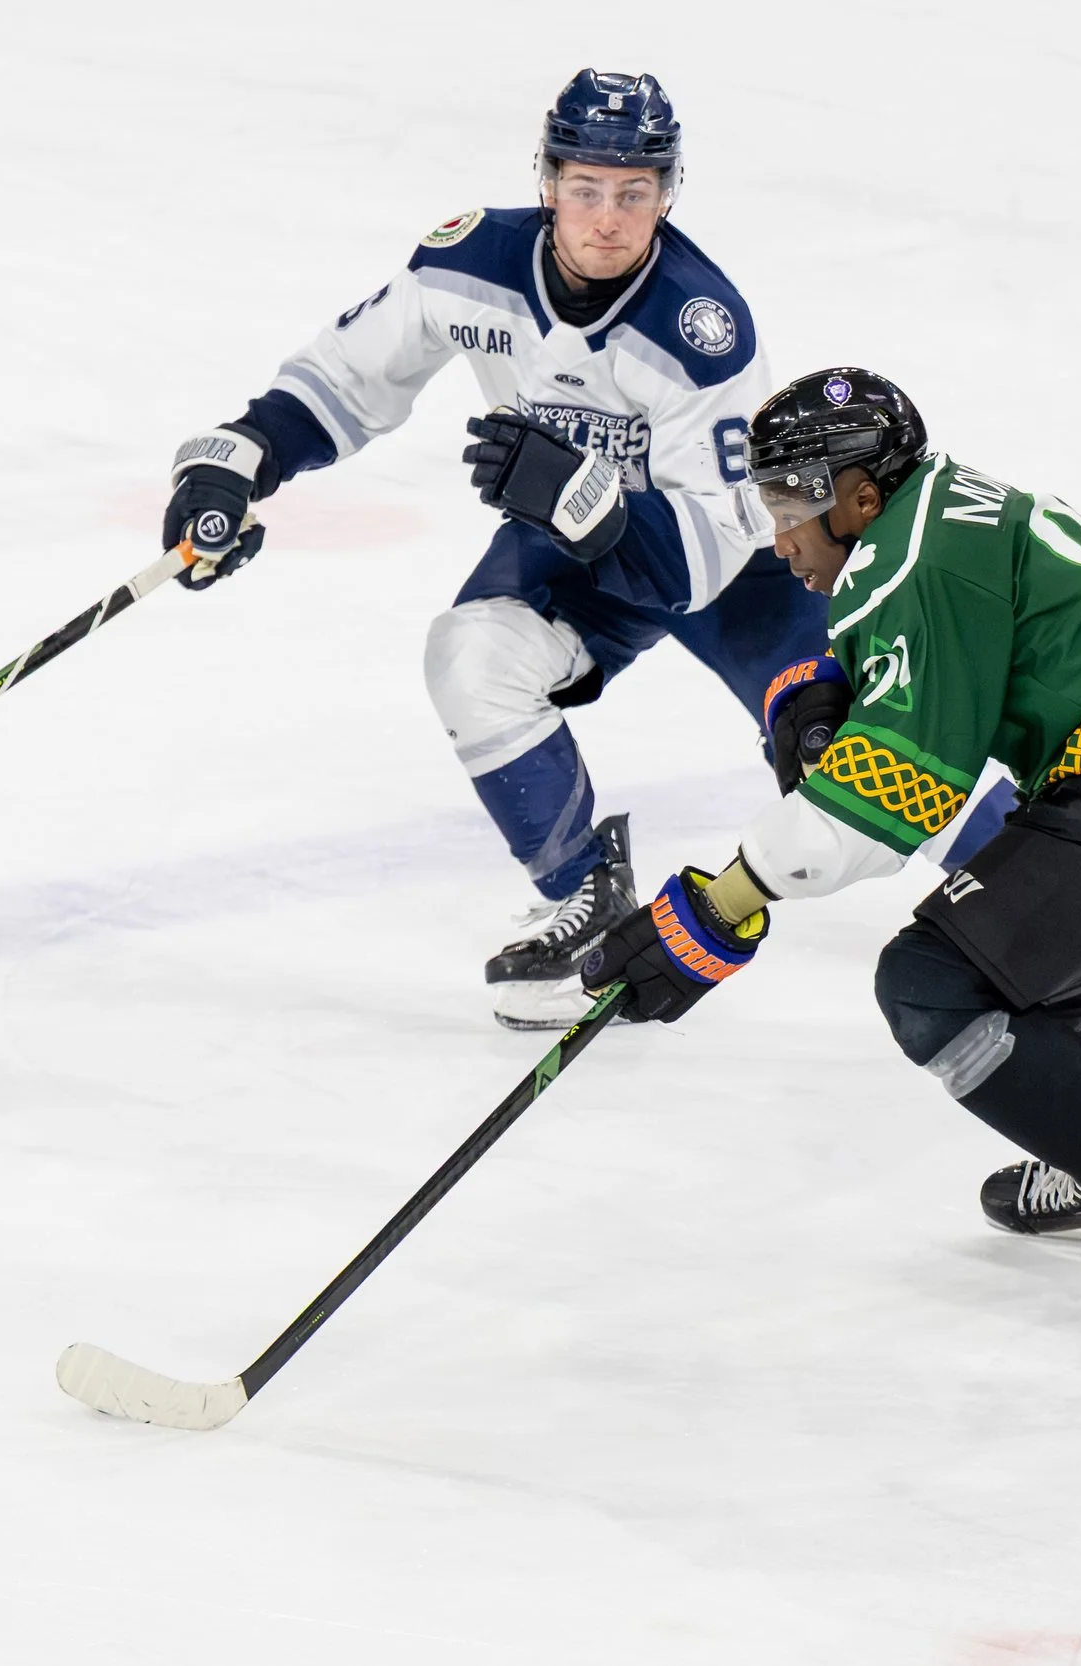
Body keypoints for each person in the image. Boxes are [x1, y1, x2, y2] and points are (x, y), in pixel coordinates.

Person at [582, 368, 1081, 1357]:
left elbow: (892, 800)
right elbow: (960, 652)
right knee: (1018, 972)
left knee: (933, 981)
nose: (777, 537)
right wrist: (827, 682)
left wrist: (716, 910)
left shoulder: (915, 565)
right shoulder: (932, 512)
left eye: (785, 504)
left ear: (855, 496)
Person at [159, 69, 822, 1029]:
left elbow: (706, 557)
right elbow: (349, 377)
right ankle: (586, 900)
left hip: (743, 565)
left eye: (635, 193)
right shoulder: (470, 260)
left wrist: (587, 500)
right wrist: (242, 458)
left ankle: (1077, 944)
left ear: (668, 193)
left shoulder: (700, 327)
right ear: (546, 180)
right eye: (586, 188)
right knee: (470, 658)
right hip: (579, 545)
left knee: (845, 749)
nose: (608, 218)